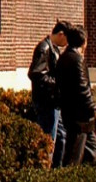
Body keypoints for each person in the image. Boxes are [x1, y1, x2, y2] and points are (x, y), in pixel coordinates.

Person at [56, 24, 96, 164]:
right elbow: (82, 88)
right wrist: (92, 107)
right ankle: (71, 178)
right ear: (83, 41)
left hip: (71, 112)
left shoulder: (64, 57)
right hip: (80, 116)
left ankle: (83, 175)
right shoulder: (76, 59)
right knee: (75, 153)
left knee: (91, 148)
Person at [29, 21, 68, 164]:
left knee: (61, 136)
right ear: (60, 34)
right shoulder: (44, 48)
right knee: (49, 139)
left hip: (55, 101)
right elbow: (36, 74)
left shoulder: (55, 49)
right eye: (66, 39)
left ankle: (57, 168)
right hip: (47, 102)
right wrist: (57, 83)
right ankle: (46, 167)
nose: (67, 43)